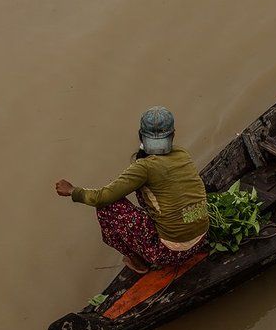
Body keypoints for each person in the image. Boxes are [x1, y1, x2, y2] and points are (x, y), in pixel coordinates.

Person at [55, 106, 209, 274]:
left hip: (171, 253)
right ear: (173, 135)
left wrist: (72, 190)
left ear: (141, 136)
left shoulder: (144, 167)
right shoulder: (182, 153)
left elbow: (101, 197)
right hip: (202, 237)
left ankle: (138, 261)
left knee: (108, 206)